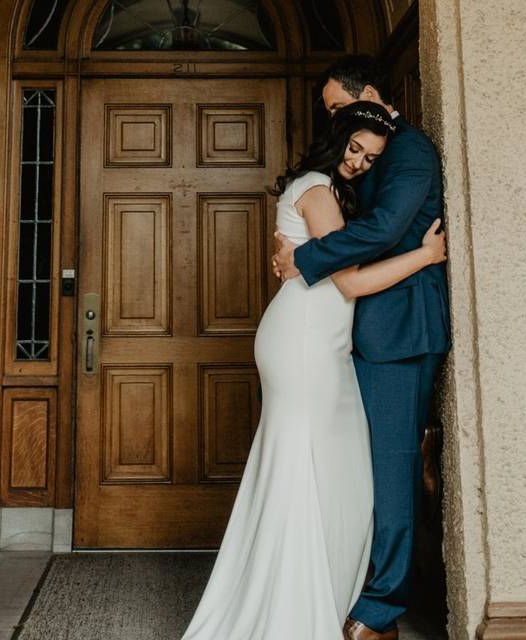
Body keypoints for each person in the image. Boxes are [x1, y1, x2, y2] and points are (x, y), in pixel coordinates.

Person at [181, 101, 447, 640]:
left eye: (372, 158)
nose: (360, 163)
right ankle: (294, 598)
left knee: (322, 464)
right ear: (336, 136)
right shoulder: (319, 192)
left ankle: (323, 587)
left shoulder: (327, 187)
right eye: (354, 149)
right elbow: (349, 282)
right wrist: (426, 256)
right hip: (305, 341)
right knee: (304, 465)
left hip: (318, 340)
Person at [272, 56, 452, 640]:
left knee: (390, 469)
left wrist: (303, 259)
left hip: (398, 330)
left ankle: (377, 612)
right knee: (368, 466)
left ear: (367, 94)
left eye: (335, 108)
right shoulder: (355, 158)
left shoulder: (410, 152)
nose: (333, 123)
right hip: (356, 328)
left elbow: (384, 231)